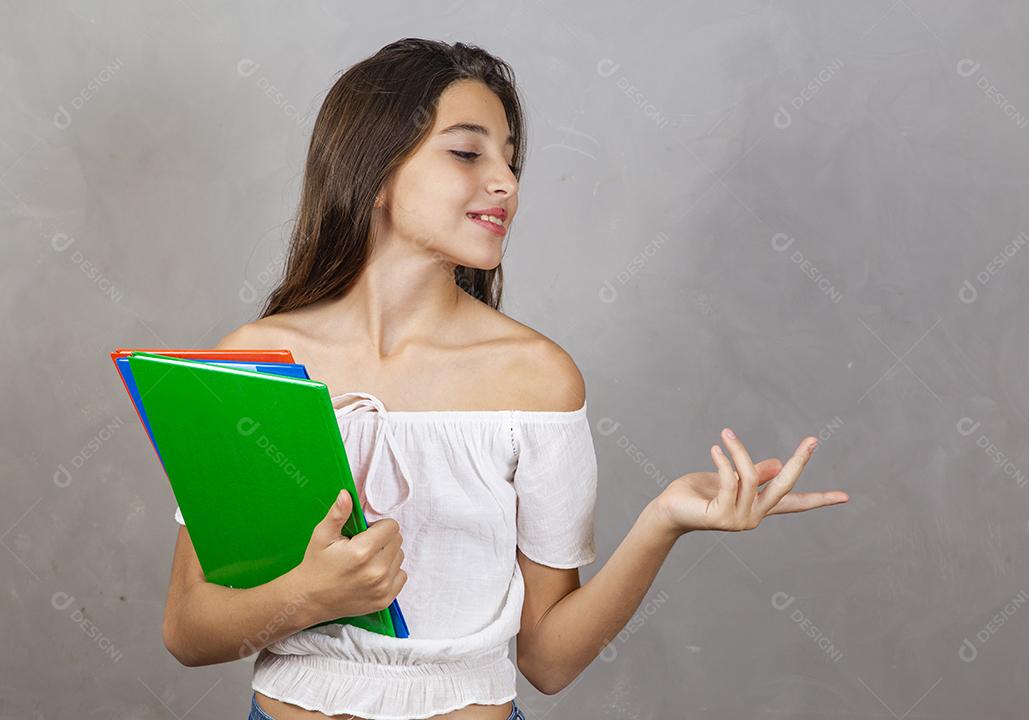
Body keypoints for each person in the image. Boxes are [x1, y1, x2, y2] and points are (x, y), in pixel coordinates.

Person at [160, 38, 849, 720]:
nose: (507, 184)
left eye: (511, 162)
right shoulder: (256, 361)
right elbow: (188, 630)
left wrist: (662, 522)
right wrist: (308, 596)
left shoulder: (537, 380)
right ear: (374, 170)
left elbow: (548, 661)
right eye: (467, 153)